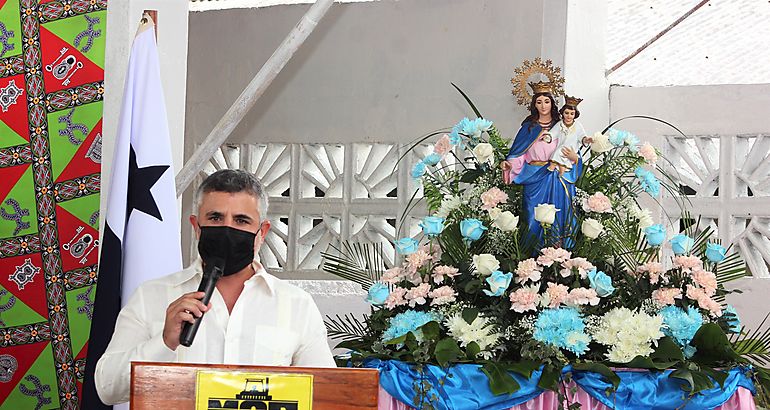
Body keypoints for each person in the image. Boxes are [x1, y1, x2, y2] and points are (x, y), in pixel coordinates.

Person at [94, 169, 335, 405]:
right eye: (215, 218)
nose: (227, 229)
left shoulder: (296, 304)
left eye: (241, 220)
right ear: (196, 226)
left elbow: (328, 394)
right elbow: (107, 388)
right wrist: (164, 342)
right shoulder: (152, 296)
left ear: (262, 232)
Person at [501, 82, 581, 247]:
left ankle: (559, 255)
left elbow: (573, 146)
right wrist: (509, 165)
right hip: (535, 176)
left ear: (552, 103)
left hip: (560, 176)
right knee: (533, 215)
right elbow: (518, 153)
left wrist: (575, 157)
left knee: (561, 215)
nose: (543, 106)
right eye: (539, 102)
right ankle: (532, 254)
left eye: (547, 101)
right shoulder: (528, 128)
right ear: (534, 104)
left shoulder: (562, 126)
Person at [549, 95, 590, 168]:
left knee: (567, 163)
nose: (569, 116)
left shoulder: (577, 125)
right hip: (562, 147)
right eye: (566, 113)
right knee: (557, 154)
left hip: (572, 150)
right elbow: (553, 133)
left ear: (575, 114)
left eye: (572, 114)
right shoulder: (560, 124)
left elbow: (582, 136)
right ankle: (554, 167)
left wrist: (586, 140)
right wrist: (548, 137)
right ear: (563, 113)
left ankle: (563, 169)